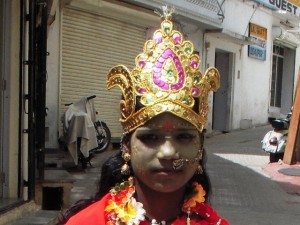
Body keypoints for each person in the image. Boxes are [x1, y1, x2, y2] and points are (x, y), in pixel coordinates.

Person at [61, 6, 229, 225]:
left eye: (184, 137)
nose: (168, 153)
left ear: (200, 147)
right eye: (150, 137)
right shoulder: (88, 222)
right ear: (126, 147)